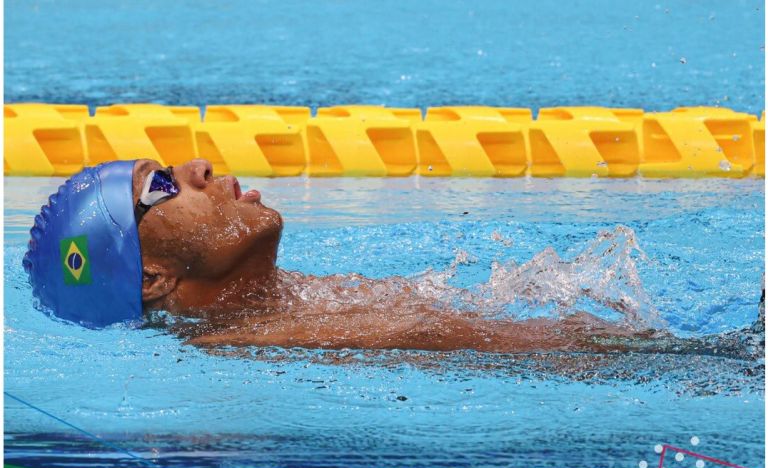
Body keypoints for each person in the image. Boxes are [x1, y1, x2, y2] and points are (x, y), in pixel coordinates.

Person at [23, 159, 678, 352]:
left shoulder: (280, 300)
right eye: (161, 185)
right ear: (153, 277)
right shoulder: (251, 341)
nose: (197, 164)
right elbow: (447, 332)